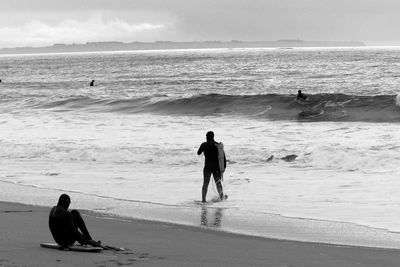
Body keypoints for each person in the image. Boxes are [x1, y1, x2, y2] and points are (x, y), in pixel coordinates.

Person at [197, 131, 226, 203]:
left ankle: (203, 200)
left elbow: (198, 153)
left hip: (207, 167)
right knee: (218, 183)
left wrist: (203, 147)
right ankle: (221, 198)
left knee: (205, 184)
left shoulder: (204, 145)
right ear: (213, 137)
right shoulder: (218, 145)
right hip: (216, 168)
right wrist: (224, 167)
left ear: (207, 137)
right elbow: (223, 157)